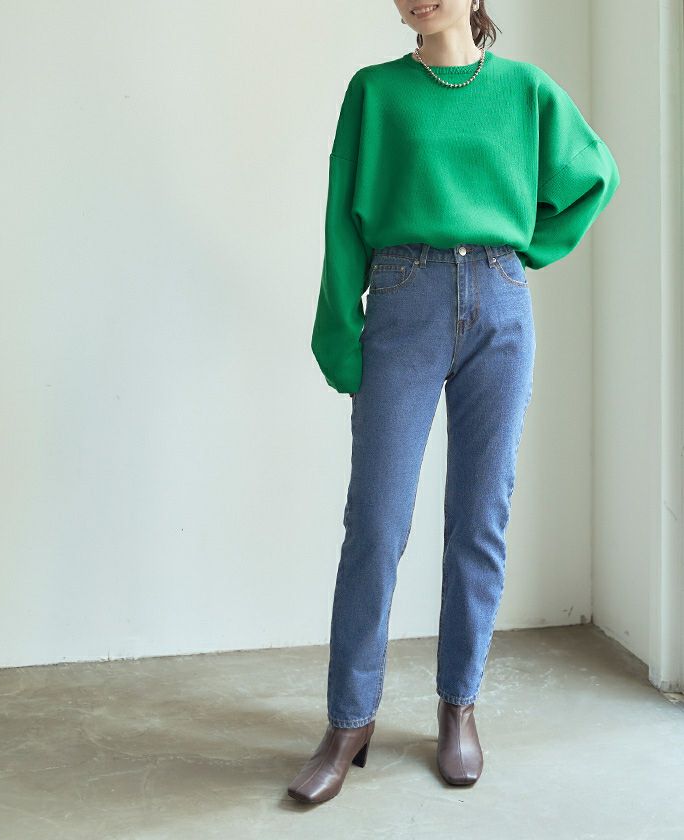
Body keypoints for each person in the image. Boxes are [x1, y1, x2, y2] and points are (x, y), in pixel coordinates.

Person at [288, 0, 620, 805]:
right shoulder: (375, 92)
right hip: (403, 296)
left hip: (501, 306)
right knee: (376, 523)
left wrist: (524, 249)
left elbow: (595, 176)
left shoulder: (527, 91)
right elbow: (340, 218)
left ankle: (458, 706)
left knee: (481, 517)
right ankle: (349, 720)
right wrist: (339, 332)